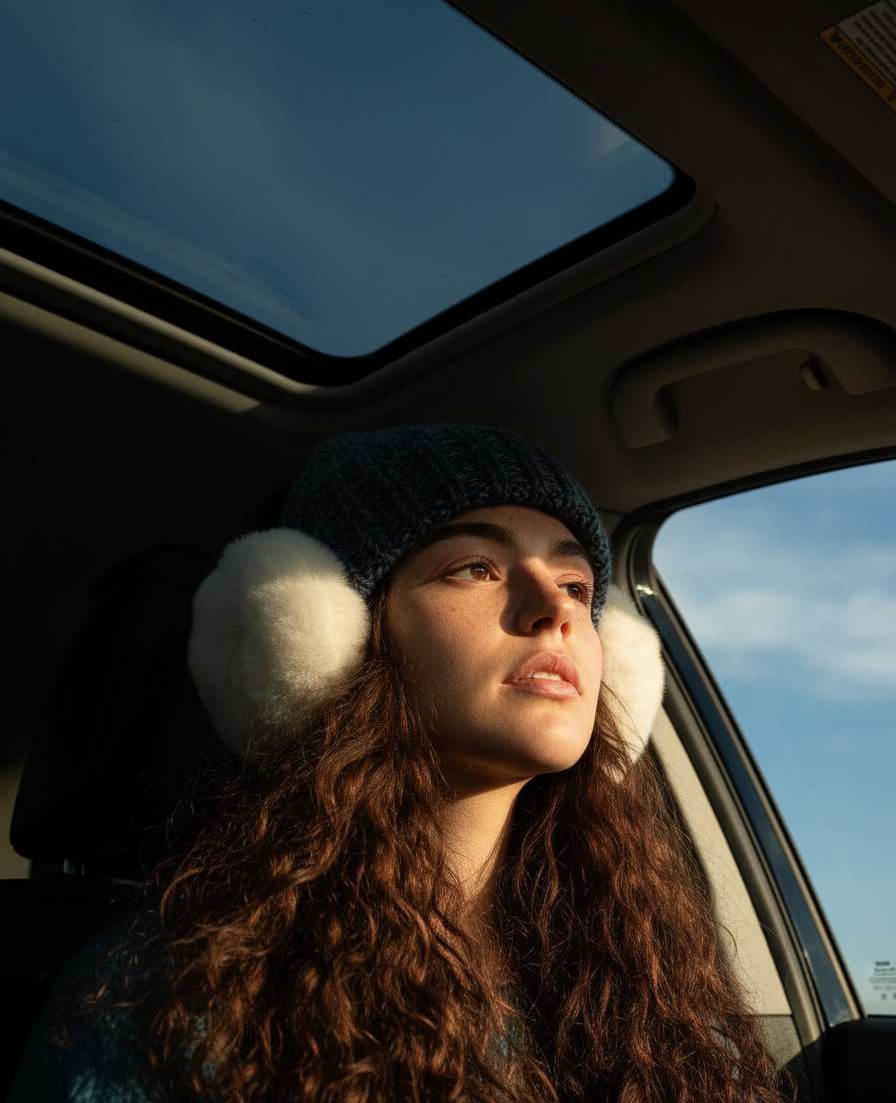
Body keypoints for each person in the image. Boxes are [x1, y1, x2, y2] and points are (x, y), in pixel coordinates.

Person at [9, 424, 791, 1103]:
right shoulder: (171, 997)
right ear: (331, 641)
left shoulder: (654, 996)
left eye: (576, 582)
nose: (555, 608)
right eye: (474, 567)